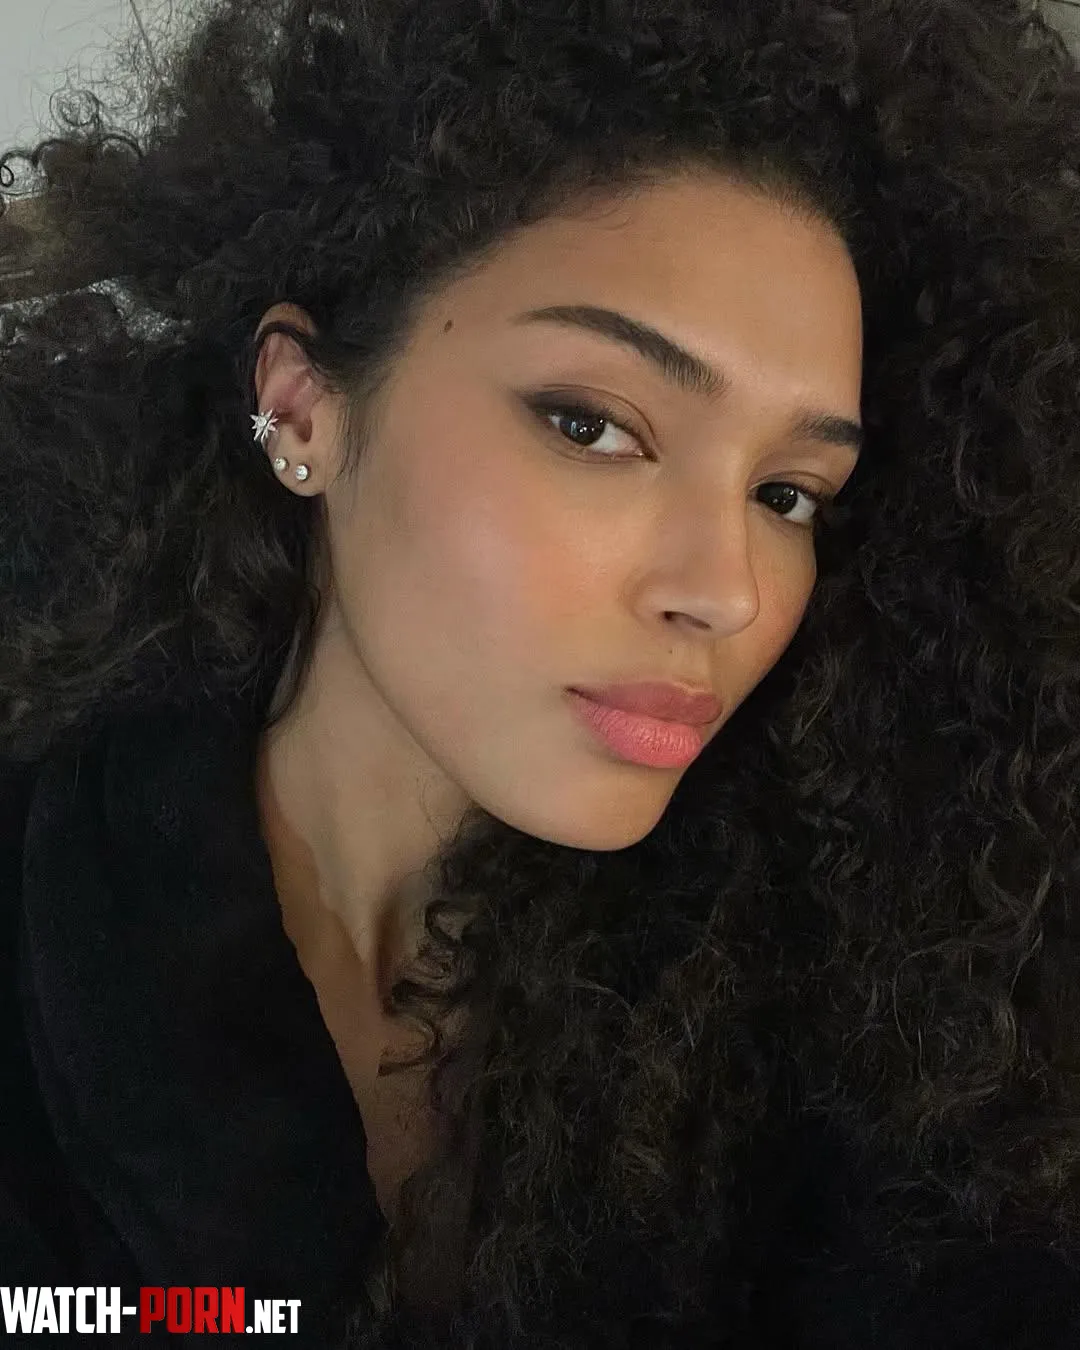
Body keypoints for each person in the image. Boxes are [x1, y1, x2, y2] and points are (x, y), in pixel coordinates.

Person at [2, 0, 1080, 1344]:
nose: (727, 590)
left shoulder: (888, 1017)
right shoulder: (47, 907)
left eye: (789, 494)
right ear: (303, 408)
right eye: (595, 426)